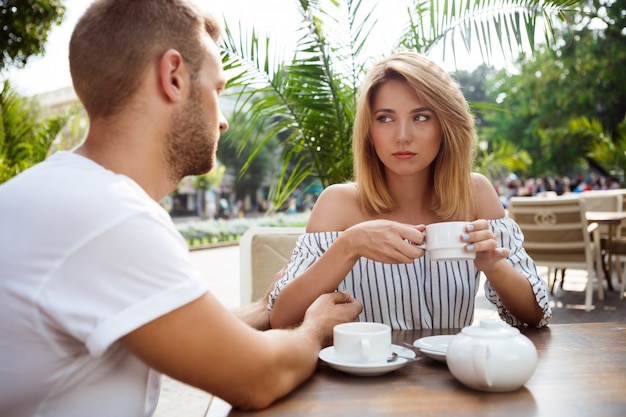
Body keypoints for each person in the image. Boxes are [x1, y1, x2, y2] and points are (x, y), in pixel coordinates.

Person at [0, 1, 363, 416]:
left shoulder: (64, 194)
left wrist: (265, 309)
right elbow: (258, 378)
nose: (223, 120)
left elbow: (183, 334)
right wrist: (315, 328)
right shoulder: (109, 216)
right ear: (173, 77)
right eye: (216, 89)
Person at [268, 51, 552, 330]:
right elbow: (281, 318)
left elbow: (536, 316)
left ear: (446, 126)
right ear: (369, 131)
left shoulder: (476, 194)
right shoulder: (338, 203)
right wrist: (349, 245)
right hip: (363, 373)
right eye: (385, 118)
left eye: (421, 117)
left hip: (452, 372)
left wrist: (493, 266)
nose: (402, 136)